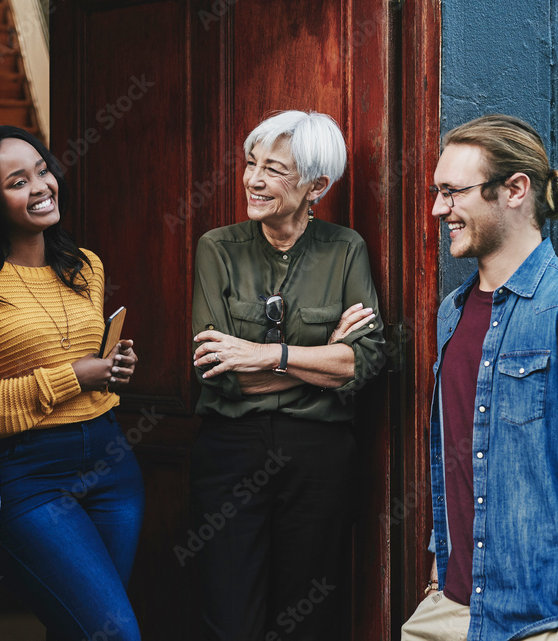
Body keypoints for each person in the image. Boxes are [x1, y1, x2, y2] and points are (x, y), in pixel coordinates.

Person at [402, 114, 558, 641]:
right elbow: (461, 458)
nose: (437, 208)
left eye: (452, 192)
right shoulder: (454, 311)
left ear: (514, 190)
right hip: (451, 610)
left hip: (542, 621)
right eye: (436, 191)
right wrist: (437, 576)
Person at [189, 110, 386, 640]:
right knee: (230, 615)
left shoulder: (346, 249)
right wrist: (322, 355)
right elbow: (220, 373)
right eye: (252, 164)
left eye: (273, 170)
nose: (254, 179)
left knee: (309, 614)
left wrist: (263, 354)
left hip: (319, 454)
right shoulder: (217, 248)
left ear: (316, 185)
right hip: (232, 448)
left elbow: (363, 364)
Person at [0, 125, 144, 641]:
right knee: (114, 632)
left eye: (42, 170)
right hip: (26, 475)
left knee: (81, 630)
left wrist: (110, 368)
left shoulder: (86, 266)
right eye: (18, 181)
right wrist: (72, 375)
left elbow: (88, 370)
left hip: (111, 460)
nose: (41, 186)